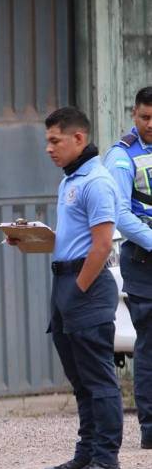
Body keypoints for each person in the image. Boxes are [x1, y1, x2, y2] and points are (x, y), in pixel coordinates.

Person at [14, 107, 124, 469]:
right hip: (65, 282)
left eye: (55, 140)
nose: (49, 148)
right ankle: (86, 454)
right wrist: (31, 237)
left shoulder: (97, 181)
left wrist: (78, 289)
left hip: (86, 286)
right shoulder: (70, 180)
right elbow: (74, 240)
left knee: (98, 379)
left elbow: (102, 244)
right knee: (80, 380)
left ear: (79, 138)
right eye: (47, 140)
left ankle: (107, 461)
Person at [104, 86, 152, 450]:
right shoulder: (121, 156)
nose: (150, 124)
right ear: (133, 114)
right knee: (149, 347)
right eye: (145, 118)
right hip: (144, 260)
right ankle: (151, 429)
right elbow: (120, 214)